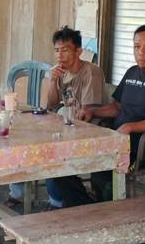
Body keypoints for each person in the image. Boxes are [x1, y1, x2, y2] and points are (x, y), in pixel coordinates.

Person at [51, 25, 145, 206]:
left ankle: (98, 210)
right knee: (61, 162)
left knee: (103, 174)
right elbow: (117, 107)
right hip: (113, 139)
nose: (141, 52)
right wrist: (93, 111)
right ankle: (86, 208)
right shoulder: (132, 72)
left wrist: (131, 127)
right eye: (137, 46)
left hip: (137, 149)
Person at [32, 26, 105, 209]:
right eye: (57, 50)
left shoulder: (90, 72)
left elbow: (87, 112)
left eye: (65, 50)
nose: (60, 55)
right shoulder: (60, 72)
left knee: (51, 154)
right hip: (68, 128)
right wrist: (52, 81)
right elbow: (51, 104)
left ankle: (60, 203)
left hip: (89, 132)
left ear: (78, 51)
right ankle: (55, 199)